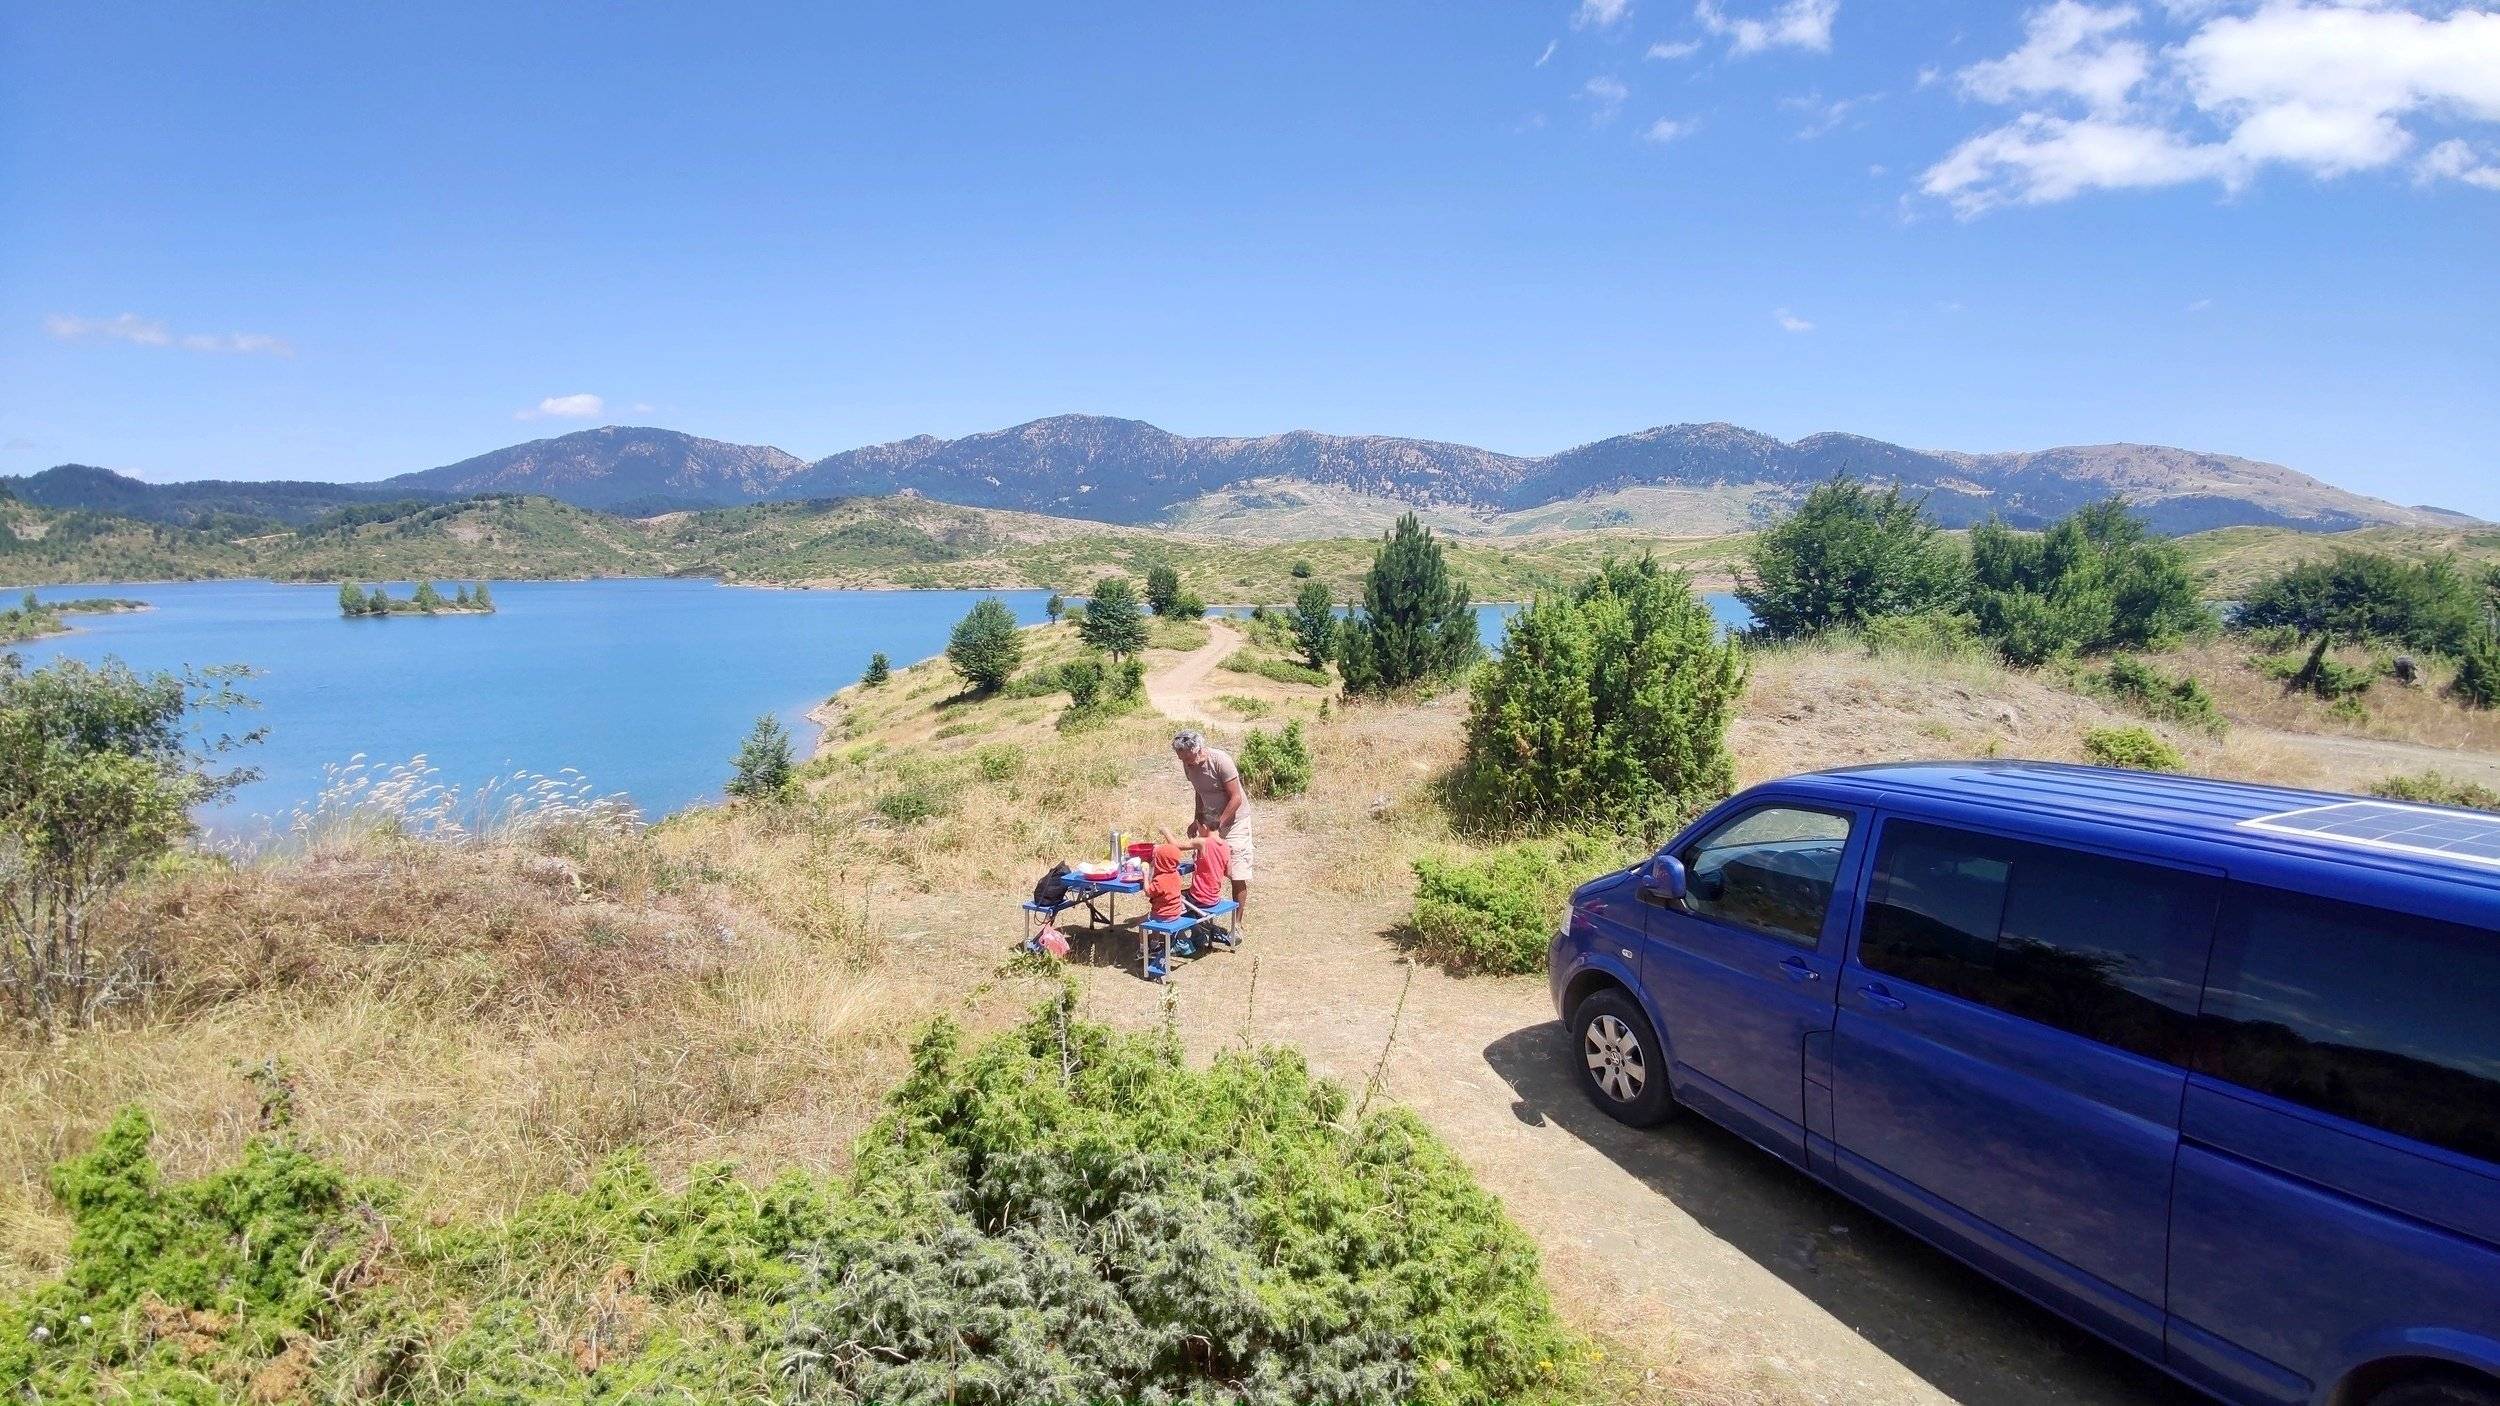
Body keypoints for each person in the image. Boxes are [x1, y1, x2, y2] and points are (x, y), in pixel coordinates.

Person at [1171, 730, 1253, 924]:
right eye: (1182, 760)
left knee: (1236, 872)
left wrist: (1216, 828)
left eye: (1188, 759)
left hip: (1235, 822)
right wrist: (1197, 819)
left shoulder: (1220, 761)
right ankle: (1202, 918)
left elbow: (1236, 798)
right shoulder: (1188, 764)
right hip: (1210, 822)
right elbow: (1198, 792)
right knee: (1204, 865)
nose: (1186, 764)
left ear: (1198, 750)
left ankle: (1237, 925)